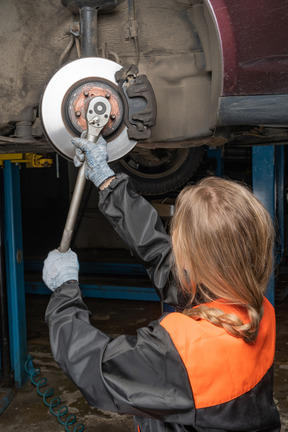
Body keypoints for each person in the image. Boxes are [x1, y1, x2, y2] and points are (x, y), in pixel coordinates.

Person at [43, 135, 281, 432]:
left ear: (193, 259)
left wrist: (64, 290)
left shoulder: (181, 351)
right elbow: (160, 255)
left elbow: (93, 365)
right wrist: (108, 183)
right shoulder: (257, 311)